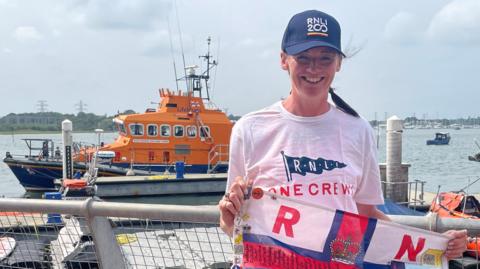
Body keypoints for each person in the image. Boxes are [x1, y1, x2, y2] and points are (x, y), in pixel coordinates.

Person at [218, 9, 466, 260]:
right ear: (284, 59)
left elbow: (367, 215)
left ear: (339, 63)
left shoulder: (358, 131)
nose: (314, 68)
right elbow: (233, 225)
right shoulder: (249, 129)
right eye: (303, 57)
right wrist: (228, 217)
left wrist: (436, 245)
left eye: (325, 58)